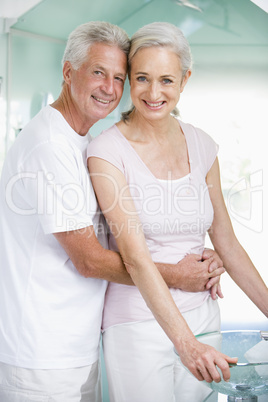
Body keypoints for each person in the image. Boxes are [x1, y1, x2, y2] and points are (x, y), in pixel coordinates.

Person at [0, 21, 224, 402]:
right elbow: (88, 260)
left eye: (119, 77)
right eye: (98, 73)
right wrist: (179, 275)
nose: (109, 88)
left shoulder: (81, 142)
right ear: (68, 71)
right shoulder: (51, 146)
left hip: (75, 343)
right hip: (41, 354)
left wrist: (204, 257)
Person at [87, 22, 268, 402]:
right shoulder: (107, 152)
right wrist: (185, 345)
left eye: (166, 80)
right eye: (142, 78)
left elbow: (228, 244)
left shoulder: (202, 145)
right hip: (137, 323)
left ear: (184, 80)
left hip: (204, 317)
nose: (154, 93)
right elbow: (135, 259)